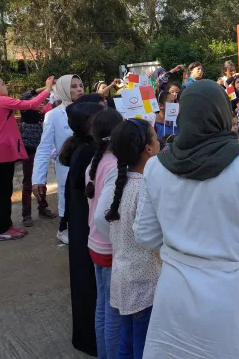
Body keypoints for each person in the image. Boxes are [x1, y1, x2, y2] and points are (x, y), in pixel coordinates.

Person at [129, 80, 239, 358]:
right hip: (230, 298)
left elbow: (146, 236)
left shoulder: (156, 166)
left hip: (174, 296)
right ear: (224, 115)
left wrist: (184, 244)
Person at [94, 118, 162, 359]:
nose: (159, 141)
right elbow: (153, 237)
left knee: (127, 342)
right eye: (156, 138)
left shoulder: (118, 181)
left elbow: (102, 221)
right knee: (143, 347)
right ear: (149, 149)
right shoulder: (146, 187)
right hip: (145, 283)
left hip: (124, 276)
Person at [59, 101, 104, 356]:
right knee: (89, 285)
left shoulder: (81, 146)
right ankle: (91, 339)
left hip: (81, 225)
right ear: (90, 125)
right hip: (86, 227)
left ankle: (87, 336)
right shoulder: (89, 152)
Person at [0, 75, 54, 240]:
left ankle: (6, 226)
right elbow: (29, 103)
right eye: (2, 83)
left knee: (4, 191)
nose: (6, 85)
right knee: (3, 192)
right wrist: (47, 89)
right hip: (1, 154)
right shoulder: (1, 101)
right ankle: (2, 230)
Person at [84, 109, 124, 359]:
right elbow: (102, 214)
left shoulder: (95, 163)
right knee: (114, 312)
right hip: (109, 246)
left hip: (95, 243)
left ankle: (103, 353)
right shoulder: (115, 166)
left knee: (103, 306)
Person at [33, 74, 85, 244]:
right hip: (67, 168)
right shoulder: (54, 115)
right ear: (63, 90)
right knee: (67, 199)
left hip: (89, 166)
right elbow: (44, 148)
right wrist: (38, 179)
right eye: (74, 86)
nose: (79, 89)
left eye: (81, 85)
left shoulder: (89, 110)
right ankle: (64, 228)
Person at [18, 86, 57, 227]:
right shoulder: (26, 110)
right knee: (28, 182)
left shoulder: (44, 114)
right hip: (28, 150)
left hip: (41, 152)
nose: (40, 103)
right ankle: (26, 214)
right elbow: (23, 96)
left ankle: (42, 207)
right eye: (36, 101)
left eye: (42, 101)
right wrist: (42, 89)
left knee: (42, 180)